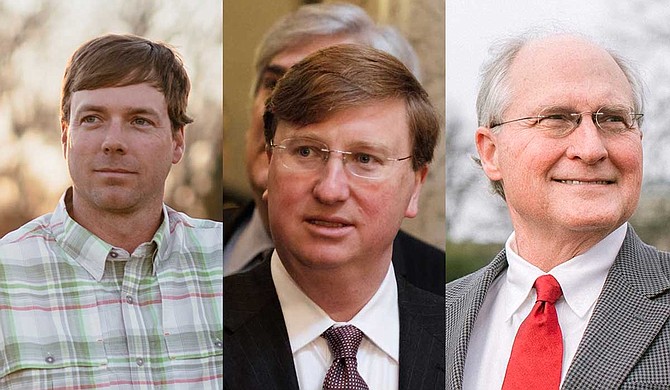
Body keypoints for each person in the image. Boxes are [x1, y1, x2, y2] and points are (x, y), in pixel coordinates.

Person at [446, 31, 670, 389]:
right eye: (556, 118)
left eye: (613, 119)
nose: (591, 148)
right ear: (491, 152)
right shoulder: (434, 316)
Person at [0, 34, 222, 388]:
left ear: (178, 141)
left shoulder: (228, 263)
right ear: (64, 136)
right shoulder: (6, 277)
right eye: (92, 118)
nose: (113, 141)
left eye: (139, 121)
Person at [224, 44, 444, 390]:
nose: (330, 190)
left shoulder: (462, 332)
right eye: (306, 151)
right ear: (268, 166)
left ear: (415, 186)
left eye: (365, 159)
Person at [223, 2, 445, 295]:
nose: (285, 112)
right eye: (274, 84)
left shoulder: (441, 293)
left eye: (327, 91)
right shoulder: (199, 247)